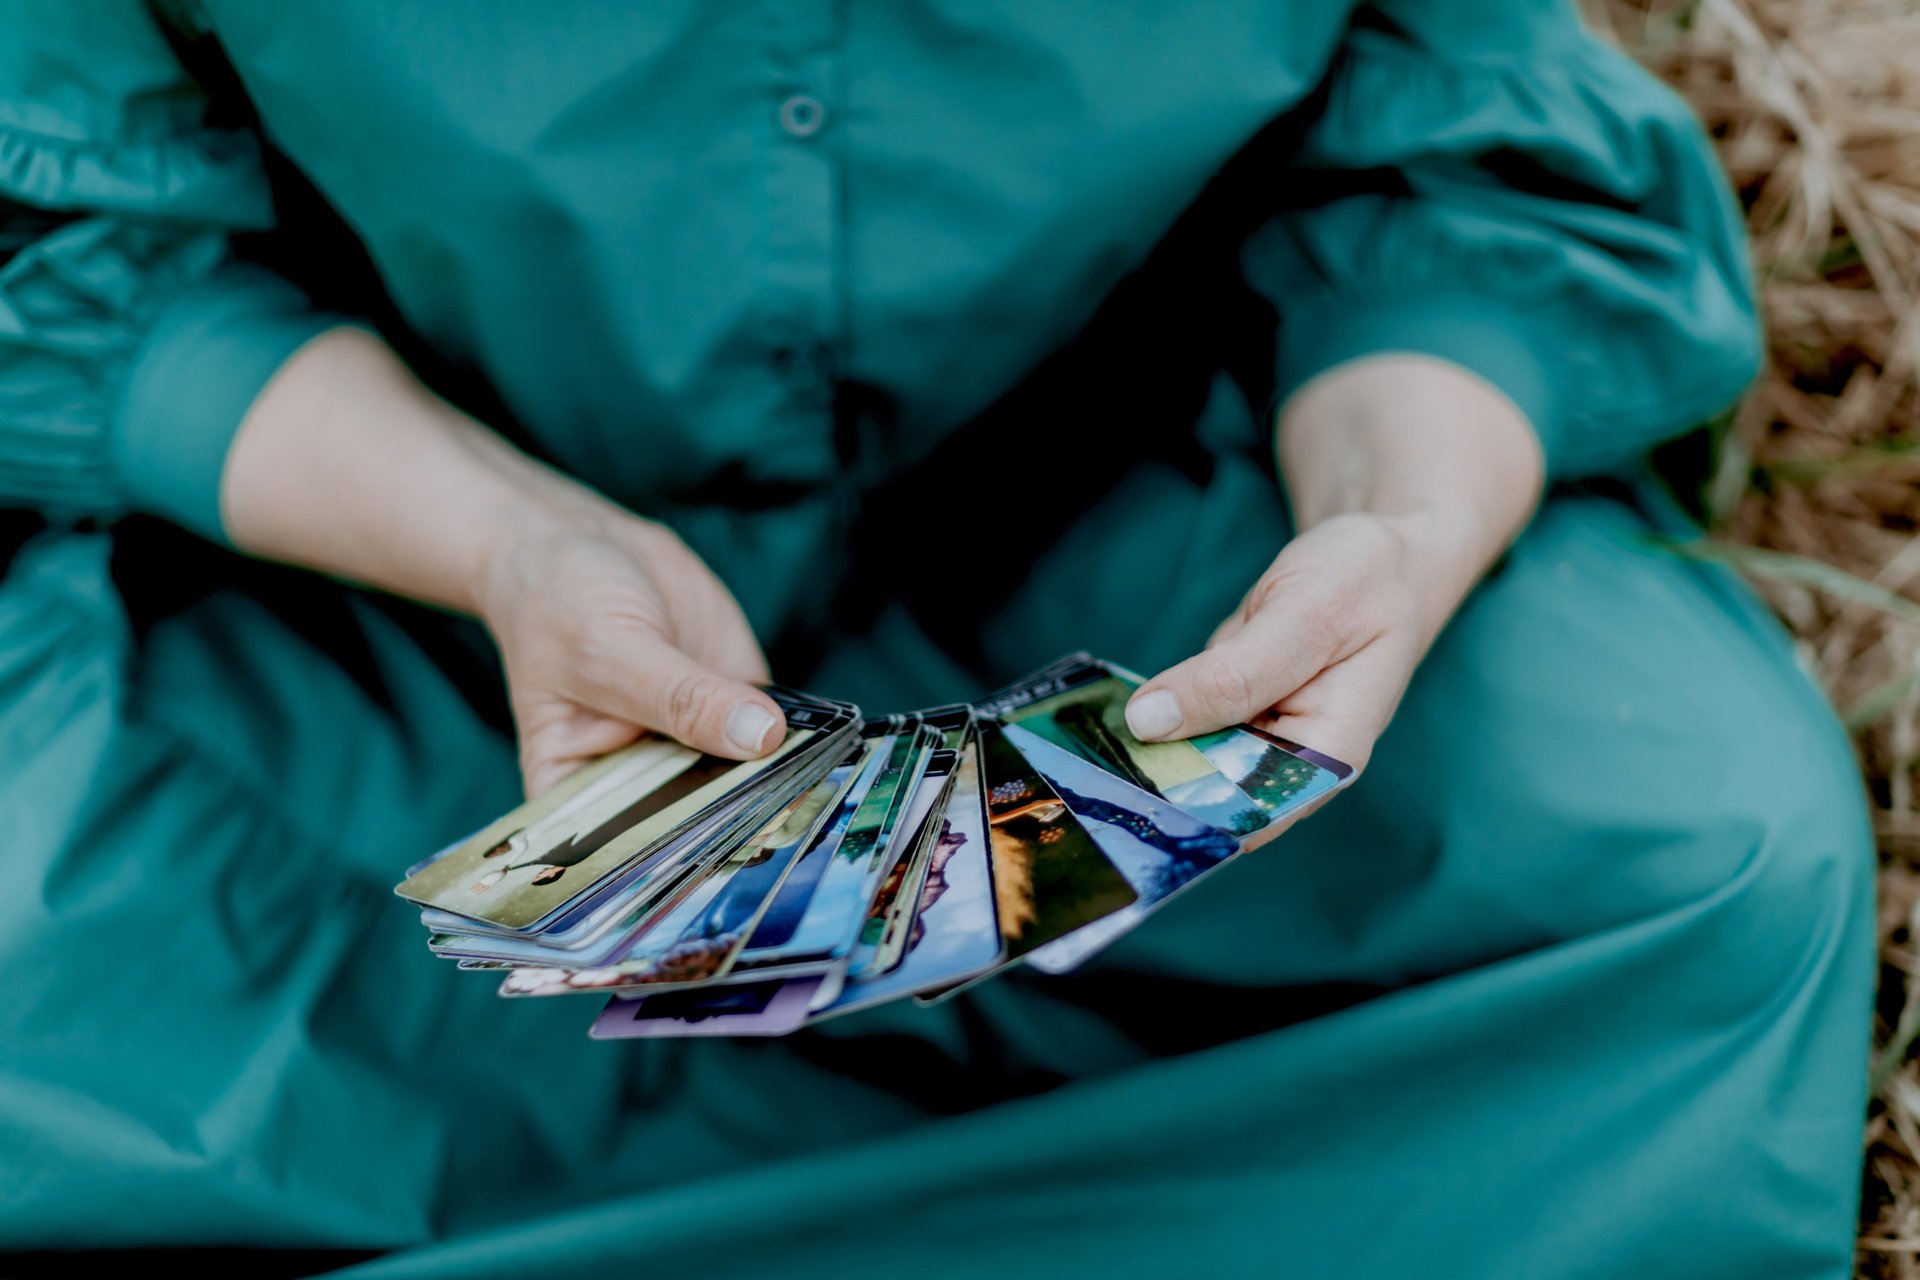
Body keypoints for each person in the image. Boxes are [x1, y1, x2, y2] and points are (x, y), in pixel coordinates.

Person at [0, 2, 1873, 1277]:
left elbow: (1451, 174)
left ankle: (521, 1161)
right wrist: (517, 544)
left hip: (1158, 532)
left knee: (1702, 863)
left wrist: (1391, 524)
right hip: (409, 597)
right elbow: (88, 258)